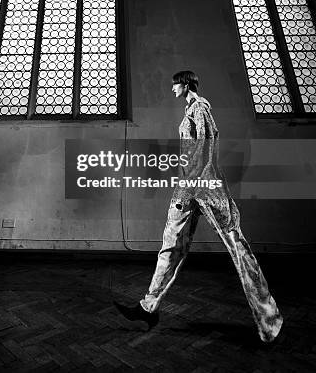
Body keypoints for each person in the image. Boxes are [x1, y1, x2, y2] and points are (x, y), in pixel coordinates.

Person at [114, 70, 283, 343]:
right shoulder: (190, 109)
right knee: (171, 246)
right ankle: (148, 307)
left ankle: (270, 321)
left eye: (174, 84)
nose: (172, 89)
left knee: (238, 250)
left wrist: (200, 186)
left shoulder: (200, 108)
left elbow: (207, 148)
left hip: (204, 188)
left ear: (185, 84)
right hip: (189, 188)